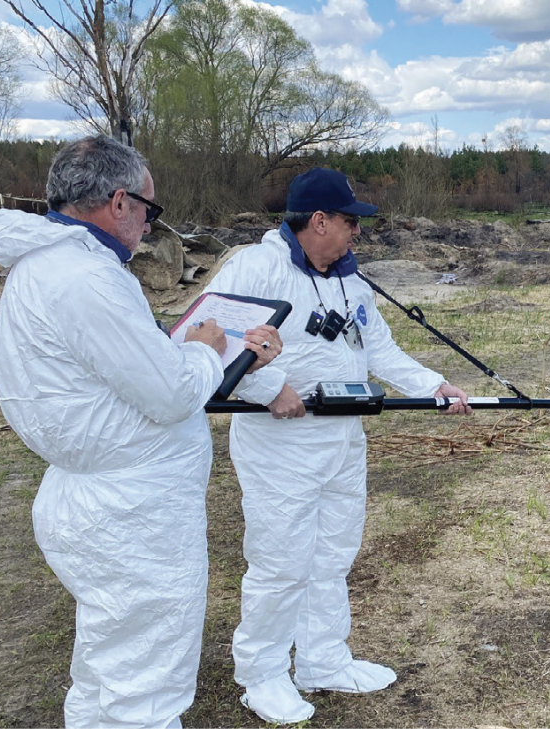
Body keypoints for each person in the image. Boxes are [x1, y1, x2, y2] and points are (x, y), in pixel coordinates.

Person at [0, 135, 283, 728]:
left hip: (102, 500)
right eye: (149, 207)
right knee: (145, 684)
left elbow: (118, 376)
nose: (149, 223)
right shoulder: (86, 278)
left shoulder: (49, 267)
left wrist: (194, 355)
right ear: (118, 202)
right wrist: (206, 351)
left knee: (106, 666)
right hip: (131, 515)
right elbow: (169, 396)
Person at [203, 167, 472, 724]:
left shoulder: (352, 280)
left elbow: (380, 349)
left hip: (342, 439)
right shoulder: (256, 267)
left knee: (332, 555)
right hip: (281, 446)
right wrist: (269, 387)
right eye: (350, 222)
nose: (357, 232)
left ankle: (323, 661)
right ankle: (262, 675)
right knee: (281, 561)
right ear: (318, 220)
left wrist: (433, 386)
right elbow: (207, 339)